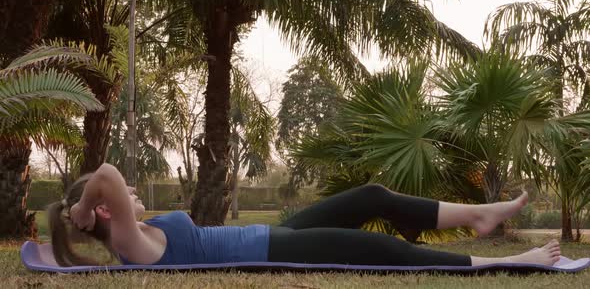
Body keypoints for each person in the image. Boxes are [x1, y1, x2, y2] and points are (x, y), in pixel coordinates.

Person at [48, 163, 561, 267]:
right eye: (123, 196)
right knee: (380, 250)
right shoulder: (128, 245)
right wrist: (78, 207)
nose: (133, 192)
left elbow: (112, 183)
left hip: (270, 233)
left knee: (370, 195)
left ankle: (478, 214)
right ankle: (517, 260)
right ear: (102, 207)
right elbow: (111, 174)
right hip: (271, 249)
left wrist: (84, 208)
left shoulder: (139, 232)